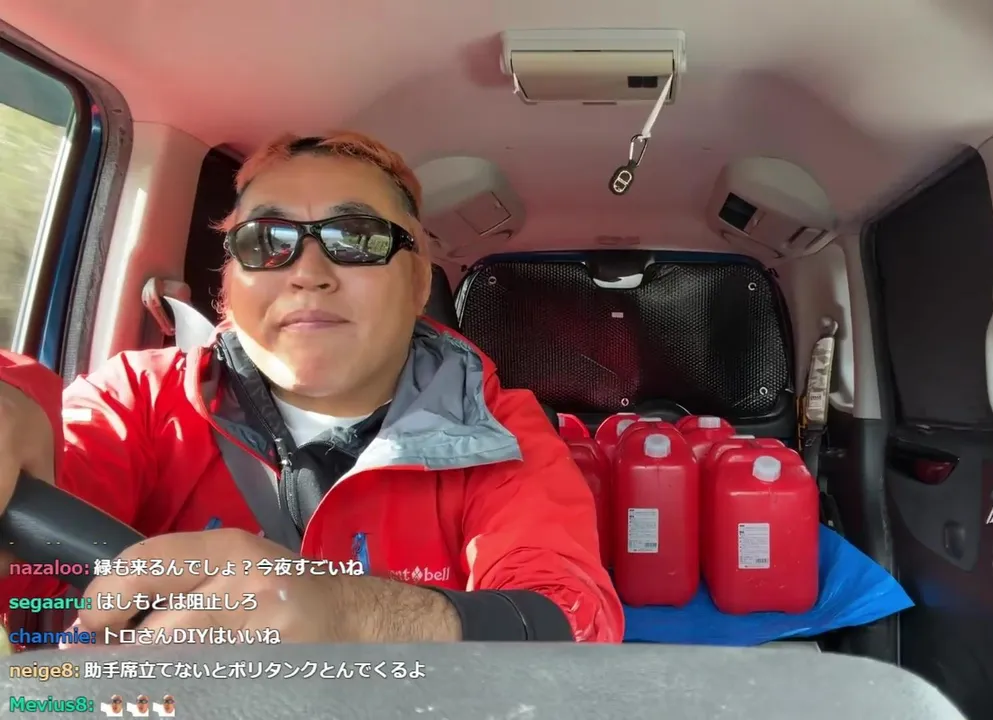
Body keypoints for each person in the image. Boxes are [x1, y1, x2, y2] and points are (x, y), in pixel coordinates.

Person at [0, 131, 623, 644]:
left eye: (355, 238)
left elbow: (575, 621)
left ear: (418, 282)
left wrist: (354, 613)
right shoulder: (136, 399)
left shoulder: (498, 431)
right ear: (228, 285)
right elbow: (42, 514)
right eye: (265, 241)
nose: (307, 273)